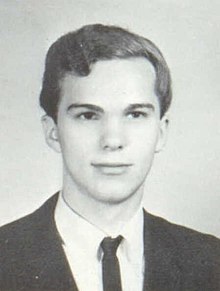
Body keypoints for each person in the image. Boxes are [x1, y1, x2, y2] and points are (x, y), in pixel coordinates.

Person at [0, 24, 219, 291]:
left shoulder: (211, 262)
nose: (113, 141)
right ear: (53, 132)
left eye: (135, 114)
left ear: (160, 133)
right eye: (88, 115)